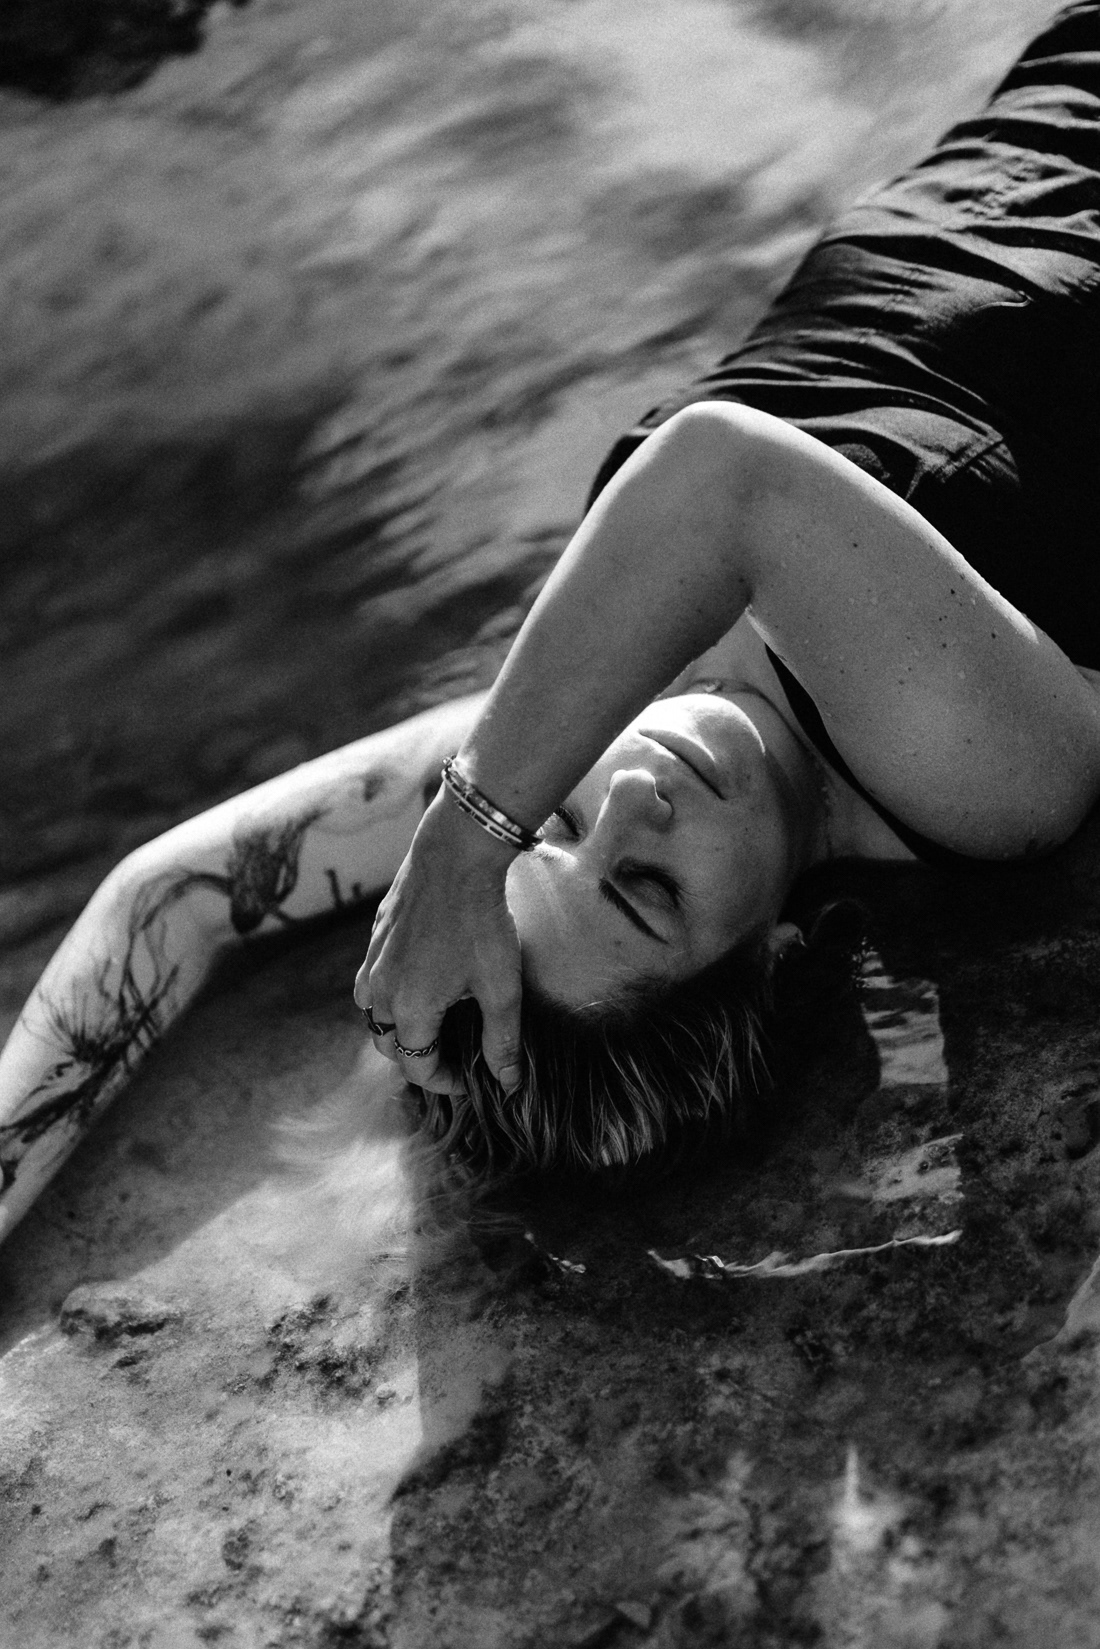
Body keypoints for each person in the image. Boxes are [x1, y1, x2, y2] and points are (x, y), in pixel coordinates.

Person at [2, 3, 1100, 1238]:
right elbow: (722, 472)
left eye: (556, 820)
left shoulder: (585, 705)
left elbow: (176, 898)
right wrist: (471, 842)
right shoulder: (982, 786)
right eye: (645, 890)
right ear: (775, 957)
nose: (624, 794)